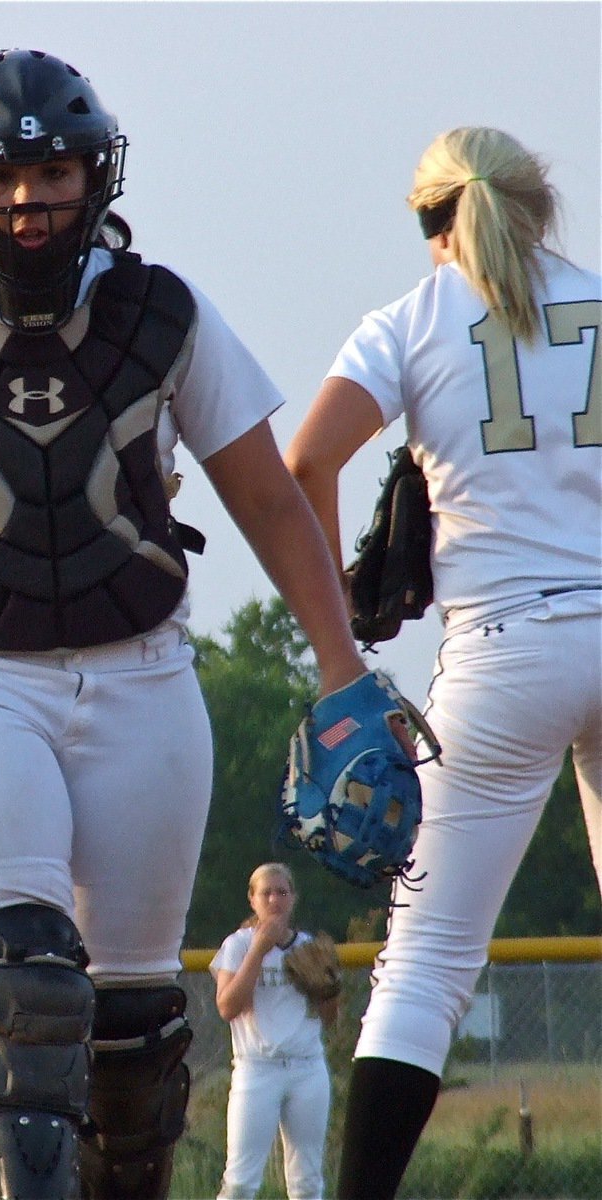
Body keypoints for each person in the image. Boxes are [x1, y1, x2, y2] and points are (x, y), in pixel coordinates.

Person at [0, 48, 370, 1200]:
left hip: (144, 678)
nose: (29, 200)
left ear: (101, 177)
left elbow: (268, 500)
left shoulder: (164, 313)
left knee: (133, 1051)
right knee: (21, 1004)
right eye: (2, 177)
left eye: (53, 174)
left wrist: (344, 670)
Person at [284, 126, 601, 1198]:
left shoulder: (412, 321)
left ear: (435, 222)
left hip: (505, 652)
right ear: (537, 208)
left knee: (424, 968)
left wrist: (336, 638)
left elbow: (306, 459)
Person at [211, 863, 336, 1200]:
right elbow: (227, 1007)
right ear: (252, 899)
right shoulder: (238, 945)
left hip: (306, 1066)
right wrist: (259, 949)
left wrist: (326, 987)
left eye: (282, 892)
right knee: (240, 1182)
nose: (274, 899)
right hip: (257, 1068)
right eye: (266, 892)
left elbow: (328, 1018)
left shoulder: (307, 947)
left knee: (307, 1182)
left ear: (293, 898)